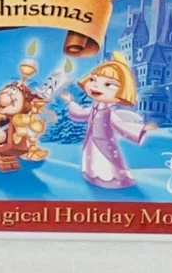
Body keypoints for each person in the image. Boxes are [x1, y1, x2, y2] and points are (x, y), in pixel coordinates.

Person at [60, 52, 152, 189]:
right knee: (92, 160)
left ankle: (112, 180)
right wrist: (70, 102)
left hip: (105, 144)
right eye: (93, 80)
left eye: (109, 84)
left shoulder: (108, 112)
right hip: (92, 142)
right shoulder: (94, 109)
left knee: (107, 162)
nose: (96, 86)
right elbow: (80, 113)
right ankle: (92, 176)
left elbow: (121, 125)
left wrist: (140, 130)